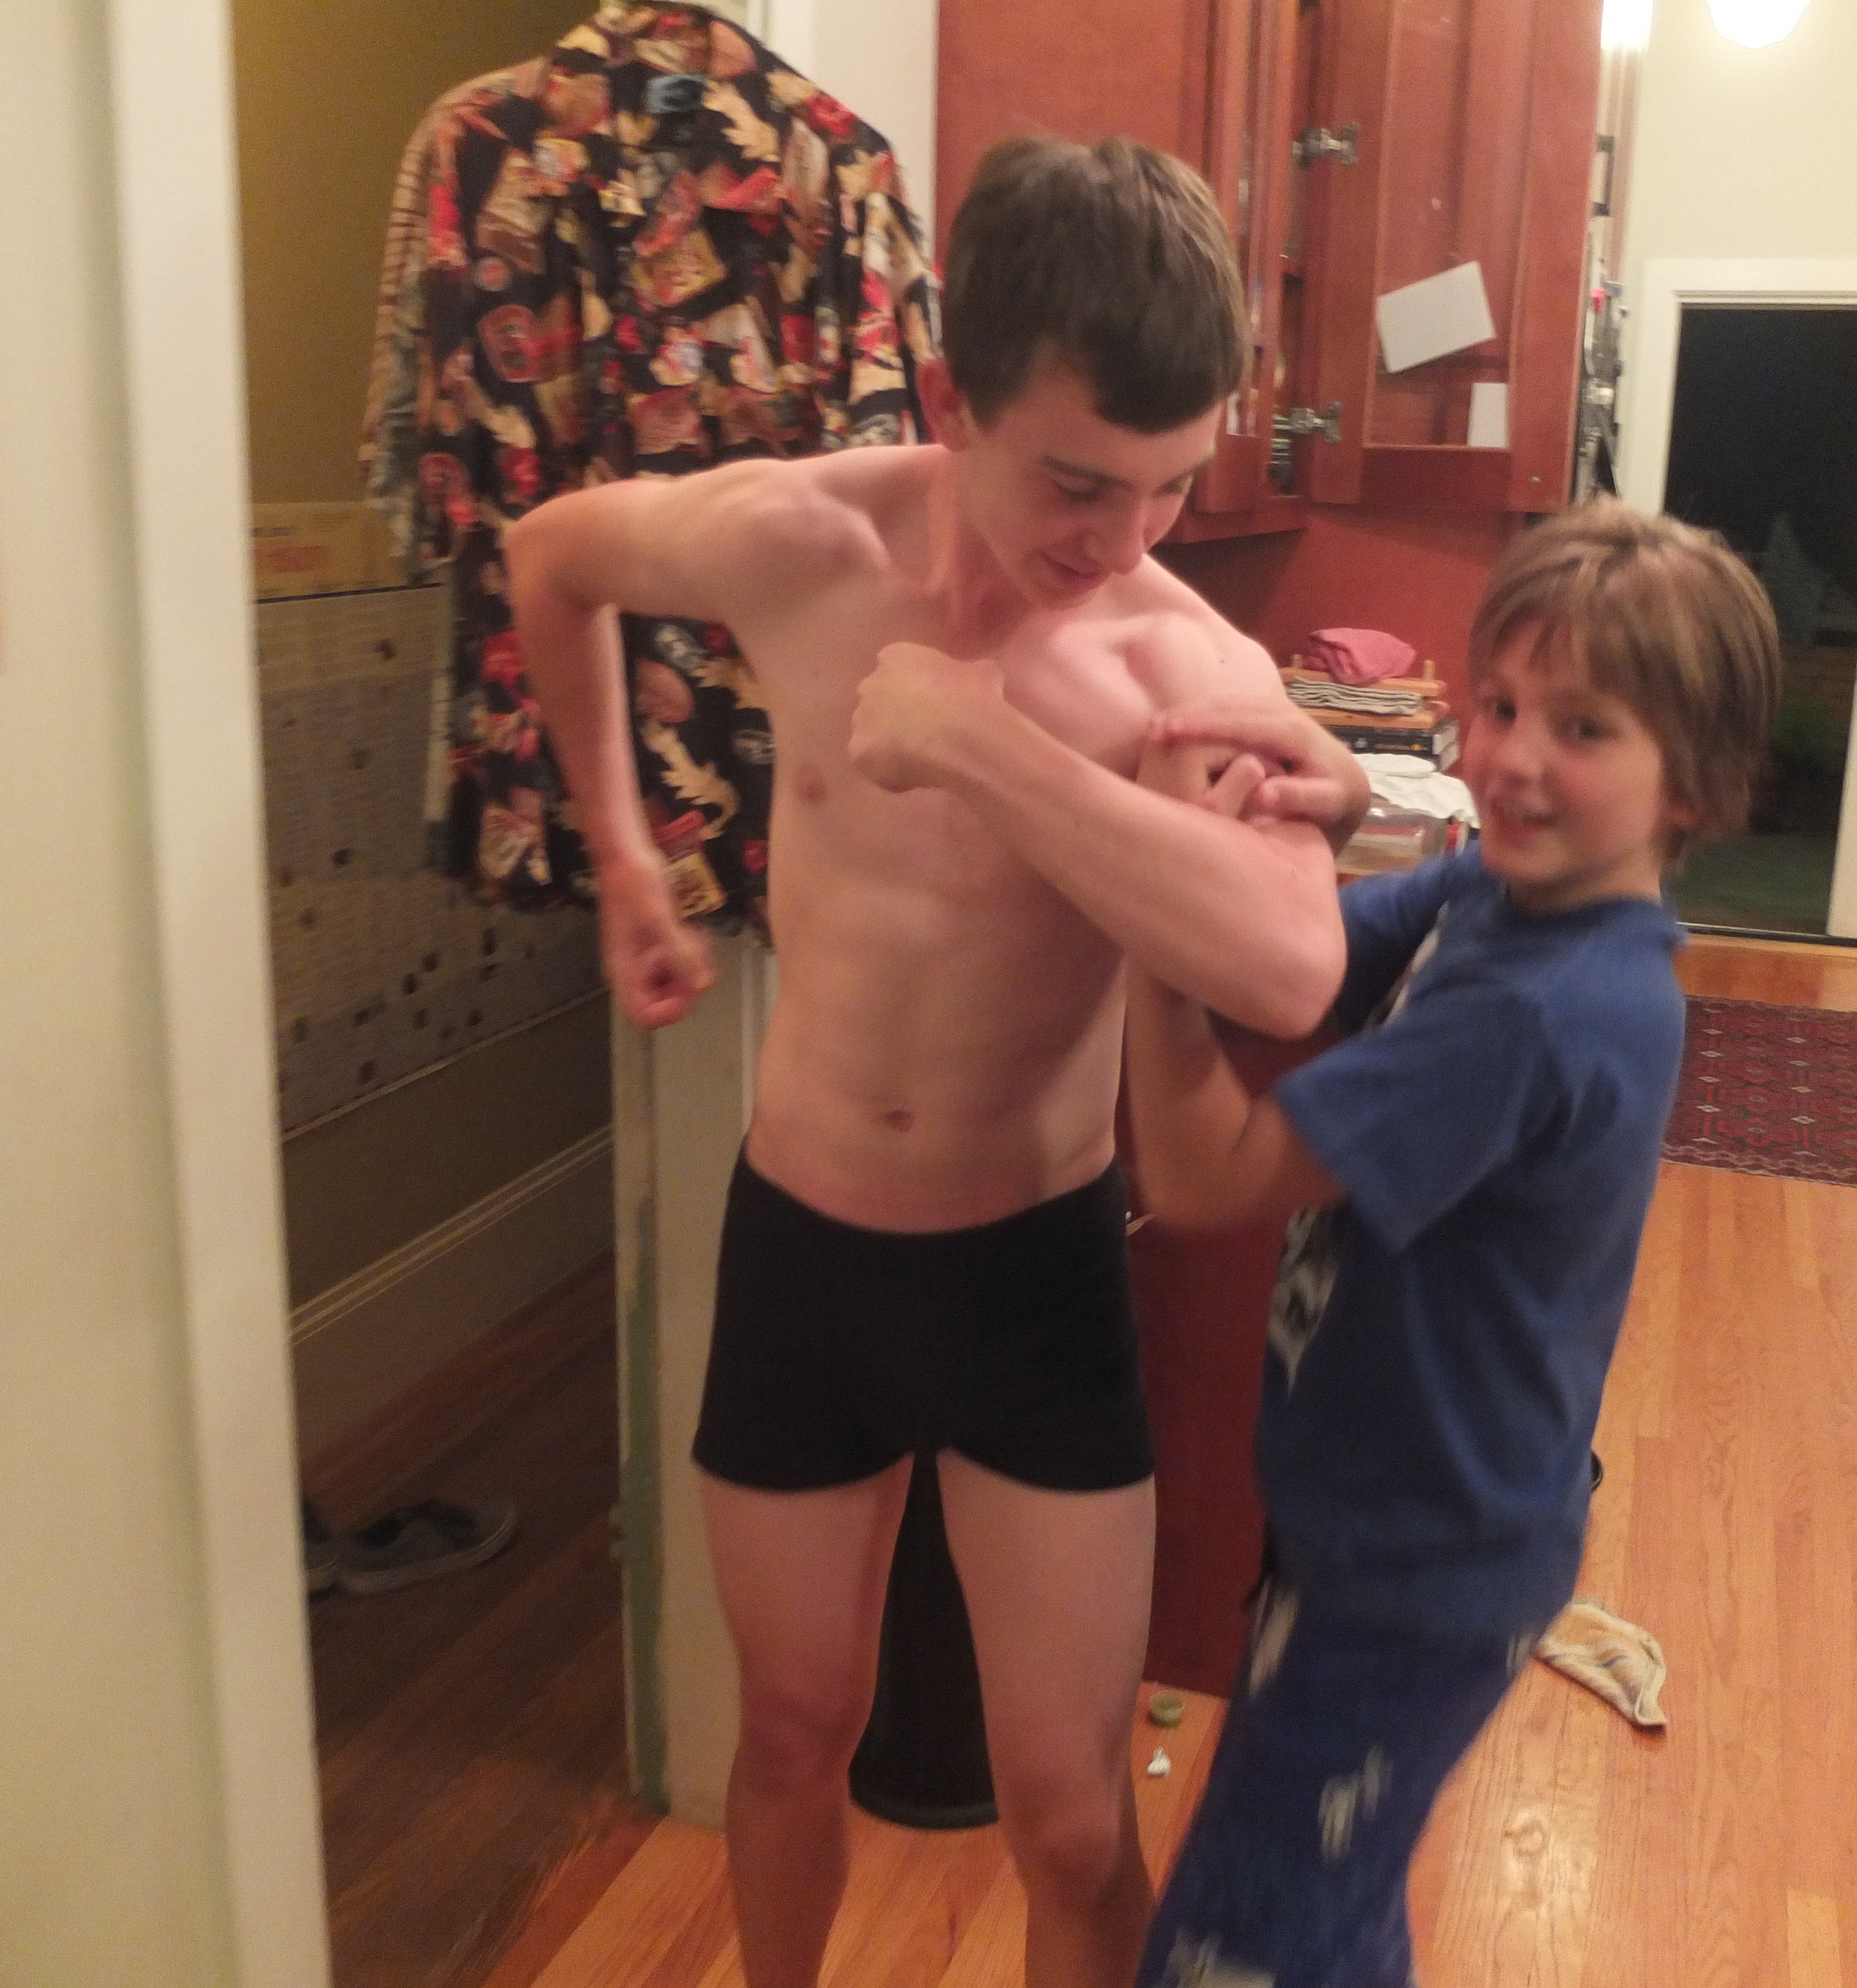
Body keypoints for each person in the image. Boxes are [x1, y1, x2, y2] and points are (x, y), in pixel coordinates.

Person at [505, 135, 1370, 1988]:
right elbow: (550, 559)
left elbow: (1292, 960)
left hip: (1032, 1278)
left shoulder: (1178, 661)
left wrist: (981, 746)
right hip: (802, 1252)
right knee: (790, 1734)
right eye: (1078, 481)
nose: (1123, 539)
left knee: (1067, 1819)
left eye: (1170, 484)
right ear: (951, 393)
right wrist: (625, 861)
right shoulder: (798, 545)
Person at [1122, 501, 1779, 1988]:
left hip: (1412, 1569)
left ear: (1694, 783)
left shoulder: (1537, 1009)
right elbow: (1305, 974)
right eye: (1498, 704)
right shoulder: (1506, 893)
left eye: (1583, 727)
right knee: (1325, 1899)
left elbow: (1202, 1173)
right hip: (1405, 1520)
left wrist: (1146, 933)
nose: (1510, 758)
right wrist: (1315, 807)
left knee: (1239, 1933)